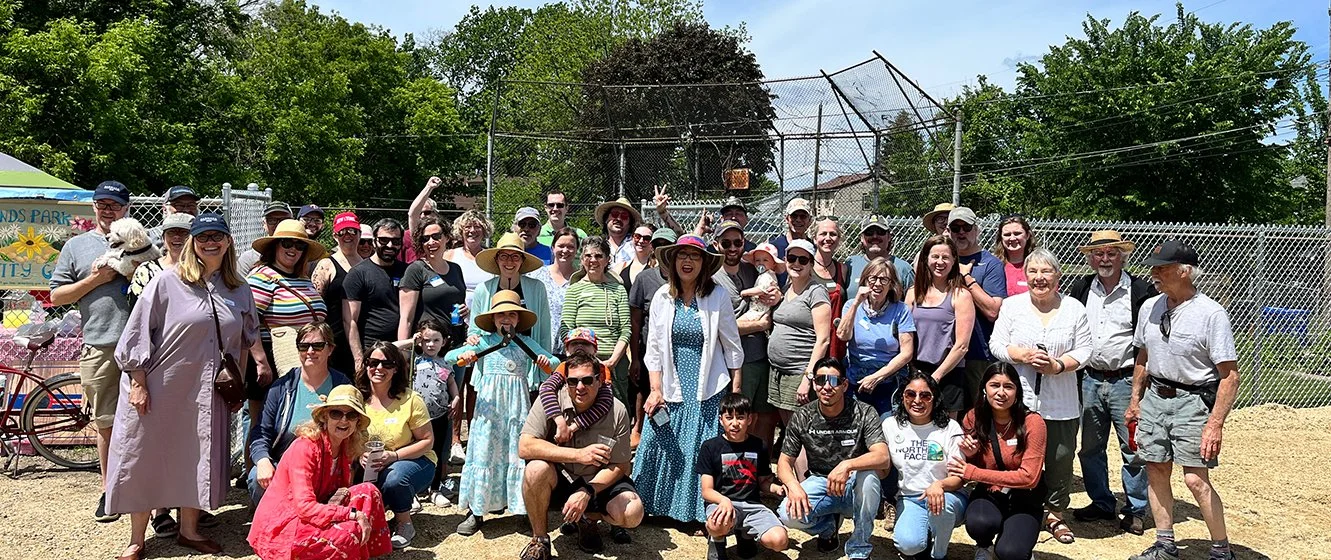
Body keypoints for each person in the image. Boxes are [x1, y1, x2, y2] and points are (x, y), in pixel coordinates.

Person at [107, 212, 259, 559]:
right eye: (202, 236)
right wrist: (138, 382)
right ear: (192, 242)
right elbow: (137, 334)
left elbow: (244, 342)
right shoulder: (167, 282)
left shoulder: (239, 289)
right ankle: (136, 539)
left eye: (216, 236)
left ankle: (189, 530)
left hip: (209, 390)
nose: (210, 242)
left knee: (198, 454)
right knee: (145, 456)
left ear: (228, 241)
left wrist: (237, 387)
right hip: (163, 385)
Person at [1126, 240, 1240, 560]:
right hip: (1155, 398)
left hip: (1193, 402)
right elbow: (1143, 356)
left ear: (1184, 271)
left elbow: (1230, 376)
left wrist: (1214, 424)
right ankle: (1165, 544)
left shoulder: (1211, 314)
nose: (1154, 273)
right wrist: (1136, 400)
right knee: (1156, 469)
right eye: (1154, 267)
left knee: (1194, 479)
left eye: (1162, 267)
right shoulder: (1150, 307)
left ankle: (1221, 551)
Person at [636, 235, 745, 524]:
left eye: (694, 256)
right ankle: (656, 508)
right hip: (670, 383)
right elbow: (655, 349)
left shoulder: (717, 295)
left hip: (709, 385)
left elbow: (732, 347)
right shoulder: (662, 296)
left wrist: (734, 394)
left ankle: (699, 513)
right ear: (672, 261)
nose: (687, 261)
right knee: (663, 442)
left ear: (704, 263)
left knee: (701, 448)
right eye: (682, 255)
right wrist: (655, 389)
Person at [988, 248, 1091, 545]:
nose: (1039, 278)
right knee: (1016, 455)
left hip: (1061, 401)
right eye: (1033, 272)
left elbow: (1085, 351)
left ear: (1058, 276)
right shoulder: (1012, 306)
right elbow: (997, 343)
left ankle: (1055, 514)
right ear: (1026, 276)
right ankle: (1018, 508)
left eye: (1046, 272)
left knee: (1059, 457)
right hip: (1020, 399)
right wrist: (1017, 354)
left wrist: (1058, 365)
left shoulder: (1074, 309)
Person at [49, 180, 133, 523]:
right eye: (102, 203)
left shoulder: (141, 239)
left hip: (145, 345)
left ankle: (155, 499)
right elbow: (56, 296)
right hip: (100, 344)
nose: (107, 209)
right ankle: (110, 489)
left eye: (114, 204)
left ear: (126, 208)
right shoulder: (76, 246)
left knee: (149, 421)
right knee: (107, 423)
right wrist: (96, 281)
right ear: (93, 207)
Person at [446, 290, 559, 536]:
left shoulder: (526, 343)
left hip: (516, 409)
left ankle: (522, 508)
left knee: (515, 455)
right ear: (493, 319)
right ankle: (476, 511)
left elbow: (555, 365)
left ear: (518, 319)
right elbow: (449, 357)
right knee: (484, 453)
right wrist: (464, 354)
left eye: (511, 314)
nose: (506, 319)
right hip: (488, 410)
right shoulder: (484, 341)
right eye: (500, 315)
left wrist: (545, 362)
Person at [1067, 230, 1156, 535]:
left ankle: (1135, 509)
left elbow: (1149, 339)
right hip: (1090, 378)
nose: (1104, 259)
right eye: (1098, 253)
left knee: (1133, 448)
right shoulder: (1080, 288)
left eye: (1111, 253)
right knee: (1090, 447)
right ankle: (1101, 502)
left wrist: (1141, 387)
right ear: (1090, 258)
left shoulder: (1140, 290)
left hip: (1126, 380)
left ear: (1122, 256)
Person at [518, 352, 642, 560]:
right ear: (566, 382)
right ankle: (539, 540)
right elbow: (525, 446)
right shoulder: (549, 401)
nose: (580, 387)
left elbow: (621, 465)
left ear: (599, 380)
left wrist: (587, 491)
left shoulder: (617, 409)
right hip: (561, 478)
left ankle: (587, 519)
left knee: (633, 512)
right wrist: (578, 455)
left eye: (587, 380)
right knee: (535, 469)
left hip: (598, 482)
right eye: (573, 381)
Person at [247, 384, 392, 560]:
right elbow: (305, 508)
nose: (344, 421)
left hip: (315, 509)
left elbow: (340, 492)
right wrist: (350, 515)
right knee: (349, 532)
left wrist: (349, 514)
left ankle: (363, 553)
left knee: (369, 492)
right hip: (285, 524)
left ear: (357, 422)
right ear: (325, 417)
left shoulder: (346, 445)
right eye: (336, 413)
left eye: (351, 415)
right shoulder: (305, 447)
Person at [777, 358, 889, 560]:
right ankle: (828, 526)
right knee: (787, 514)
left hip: (855, 484)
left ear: (845, 385)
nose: (827, 387)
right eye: (820, 380)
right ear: (813, 384)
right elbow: (784, 462)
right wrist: (793, 486)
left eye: (834, 381)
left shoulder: (864, 412)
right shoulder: (803, 416)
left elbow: (882, 457)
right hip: (821, 483)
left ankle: (859, 548)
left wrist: (847, 465)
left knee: (870, 477)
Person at [949, 363, 1048, 560]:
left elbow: (1029, 477)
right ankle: (983, 546)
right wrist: (972, 454)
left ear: (1017, 391)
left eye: (1008, 387)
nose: (1001, 392)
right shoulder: (973, 418)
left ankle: (1019, 542)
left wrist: (973, 473)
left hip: (1025, 498)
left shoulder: (1033, 423)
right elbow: (969, 463)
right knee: (979, 523)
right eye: (995, 385)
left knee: (1010, 553)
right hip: (990, 492)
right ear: (984, 388)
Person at [248, 322, 353, 506]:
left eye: (318, 345)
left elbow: (354, 428)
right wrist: (263, 460)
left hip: (328, 468)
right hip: (284, 465)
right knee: (257, 478)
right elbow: (261, 432)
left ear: (330, 349)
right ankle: (273, 525)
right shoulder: (282, 387)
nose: (310, 351)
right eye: (304, 346)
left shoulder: (342, 386)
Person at [246, 219, 330, 444]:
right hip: (273, 362)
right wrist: (261, 362)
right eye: (287, 243)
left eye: (299, 245)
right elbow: (247, 322)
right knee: (264, 426)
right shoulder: (262, 278)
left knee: (297, 423)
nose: (293, 249)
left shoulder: (303, 279)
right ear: (275, 246)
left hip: (306, 360)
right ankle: (256, 475)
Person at [357, 341, 436, 549]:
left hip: (414, 461)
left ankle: (404, 522)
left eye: (387, 364)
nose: (379, 368)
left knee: (395, 478)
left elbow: (427, 441)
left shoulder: (410, 399)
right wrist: (358, 455)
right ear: (366, 365)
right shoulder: (357, 400)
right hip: (370, 466)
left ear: (396, 368)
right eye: (373, 362)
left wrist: (395, 456)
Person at [883, 372, 968, 560]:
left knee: (941, 506)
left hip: (949, 496)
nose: (917, 400)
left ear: (935, 398)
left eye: (925, 395)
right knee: (908, 545)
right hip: (910, 498)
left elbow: (960, 477)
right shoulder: (891, 425)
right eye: (910, 394)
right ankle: (925, 531)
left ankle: (938, 554)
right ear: (902, 396)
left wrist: (940, 485)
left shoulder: (950, 427)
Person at [697, 393, 789, 560]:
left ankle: (746, 535)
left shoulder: (759, 445)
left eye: (740, 417)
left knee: (779, 540)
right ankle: (717, 539)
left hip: (752, 505)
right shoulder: (710, 447)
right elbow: (706, 490)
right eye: (729, 417)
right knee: (717, 524)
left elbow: (763, 482)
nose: (735, 423)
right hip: (721, 504)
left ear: (750, 419)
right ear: (721, 420)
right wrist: (724, 501)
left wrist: (777, 489)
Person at [713, 221, 779, 449]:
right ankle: (740, 470)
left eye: (737, 242)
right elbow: (718, 327)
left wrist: (775, 297)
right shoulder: (713, 279)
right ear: (716, 244)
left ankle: (760, 470)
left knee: (764, 416)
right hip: (737, 361)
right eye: (726, 243)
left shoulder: (754, 270)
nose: (732, 248)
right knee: (741, 418)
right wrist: (760, 325)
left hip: (764, 356)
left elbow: (772, 296)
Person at [394, 319, 461, 508]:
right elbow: (391, 348)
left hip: (439, 415)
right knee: (413, 451)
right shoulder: (413, 358)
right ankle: (412, 491)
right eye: (426, 340)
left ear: (444, 341)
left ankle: (435, 489)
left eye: (435, 340)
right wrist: (411, 342)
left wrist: (456, 398)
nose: (430, 345)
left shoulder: (446, 363)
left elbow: (451, 384)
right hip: (416, 418)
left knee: (438, 451)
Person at [836, 257, 915, 415]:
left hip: (888, 379)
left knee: (886, 428)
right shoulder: (851, 306)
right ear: (865, 281)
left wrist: (877, 377)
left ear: (891, 284)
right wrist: (857, 302)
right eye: (873, 278)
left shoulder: (901, 310)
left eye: (884, 279)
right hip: (857, 379)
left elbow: (907, 353)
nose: (877, 284)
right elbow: (843, 336)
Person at [947, 207, 1007, 407]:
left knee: (978, 413)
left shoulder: (990, 264)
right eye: (956, 228)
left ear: (976, 230)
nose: (961, 232)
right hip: (945, 355)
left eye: (966, 227)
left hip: (978, 355)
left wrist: (967, 278)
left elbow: (992, 311)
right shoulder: (942, 260)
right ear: (948, 231)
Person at [561, 236, 631, 407]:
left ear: (607, 259)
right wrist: (585, 358)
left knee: (617, 411)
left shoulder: (618, 290)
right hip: (583, 365)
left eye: (599, 256)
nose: (593, 260)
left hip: (614, 362)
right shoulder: (574, 290)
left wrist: (612, 361)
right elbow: (566, 329)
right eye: (588, 256)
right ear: (582, 260)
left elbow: (626, 330)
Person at [766, 239, 831, 422]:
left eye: (803, 260)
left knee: (802, 430)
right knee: (789, 429)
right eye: (792, 258)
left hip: (799, 373)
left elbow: (823, 340)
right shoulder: (785, 289)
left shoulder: (816, 292)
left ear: (811, 264)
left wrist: (807, 378)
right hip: (778, 372)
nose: (796, 264)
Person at [909, 236, 974, 415]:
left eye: (945, 257)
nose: (940, 262)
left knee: (946, 431)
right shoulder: (913, 294)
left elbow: (962, 346)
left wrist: (936, 376)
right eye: (935, 256)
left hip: (948, 373)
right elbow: (905, 338)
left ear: (954, 261)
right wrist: (916, 373)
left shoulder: (961, 296)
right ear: (926, 259)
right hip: (917, 372)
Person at [626, 227, 678, 447]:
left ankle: (668, 433)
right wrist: (635, 357)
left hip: (678, 352)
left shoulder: (685, 276)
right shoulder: (644, 278)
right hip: (651, 350)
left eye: (668, 246)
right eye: (658, 246)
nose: (662, 250)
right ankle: (640, 429)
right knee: (645, 390)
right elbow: (636, 321)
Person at [343, 218, 409, 372]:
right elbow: (350, 321)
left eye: (395, 241)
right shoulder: (358, 274)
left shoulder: (408, 271)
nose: (390, 246)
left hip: (402, 351)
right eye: (384, 240)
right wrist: (359, 360)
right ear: (374, 241)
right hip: (372, 354)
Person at [397, 215, 467, 342]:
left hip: (455, 344)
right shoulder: (416, 269)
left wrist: (465, 310)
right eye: (425, 238)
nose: (431, 242)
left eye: (436, 236)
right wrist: (404, 351)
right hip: (428, 346)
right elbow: (406, 318)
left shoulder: (456, 269)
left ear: (446, 237)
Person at [313, 212, 366, 375]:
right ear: (335, 236)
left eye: (352, 231)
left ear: (359, 234)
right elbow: (315, 307)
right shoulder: (326, 265)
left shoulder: (367, 266)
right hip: (334, 342)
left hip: (363, 339)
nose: (348, 236)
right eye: (342, 232)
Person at [529, 227, 580, 355]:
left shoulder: (581, 279)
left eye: (570, 247)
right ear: (552, 248)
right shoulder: (537, 275)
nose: (565, 250)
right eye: (561, 246)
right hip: (540, 345)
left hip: (571, 347)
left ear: (577, 250)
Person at [130, 212, 193, 305]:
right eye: (171, 232)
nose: (177, 236)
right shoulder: (146, 271)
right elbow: (135, 306)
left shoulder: (202, 269)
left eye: (184, 232)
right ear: (163, 238)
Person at [846, 215, 914, 301]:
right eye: (869, 232)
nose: (875, 236)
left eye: (880, 232)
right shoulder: (850, 265)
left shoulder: (904, 269)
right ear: (862, 238)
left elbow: (913, 305)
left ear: (889, 237)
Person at [811, 218, 850, 360]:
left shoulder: (843, 269)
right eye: (823, 234)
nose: (828, 238)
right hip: (811, 341)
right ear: (815, 238)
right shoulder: (804, 268)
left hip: (836, 341)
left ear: (838, 239)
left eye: (833, 234)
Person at [238, 201, 293, 272]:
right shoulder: (249, 259)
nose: (278, 224)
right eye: (272, 220)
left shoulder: (302, 255)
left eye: (284, 220)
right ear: (264, 224)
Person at [993, 215, 1036, 297]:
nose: (1012, 238)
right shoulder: (993, 266)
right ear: (1001, 238)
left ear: (1027, 235)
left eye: (1017, 233)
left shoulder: (1039, 265)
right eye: (1007, 235)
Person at [594, 197, 642, 268]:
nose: (619, 218)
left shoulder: (638, 244)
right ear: (606, 219)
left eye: (624, 216)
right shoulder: (598, 245)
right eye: (615, 214)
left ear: (630, 223)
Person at [147, 185, 199, 251]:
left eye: (191, 205)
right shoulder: (151, 238)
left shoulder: (204, 235)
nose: (186, 210)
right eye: (179, 205)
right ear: (165, 209)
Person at [405, 176, 444, 263]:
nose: (422, 216)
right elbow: (412, 214)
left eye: (427, 212)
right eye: (420, 213)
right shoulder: (414, 233)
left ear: (435, 214)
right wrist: (429, 187)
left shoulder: (445, 233)